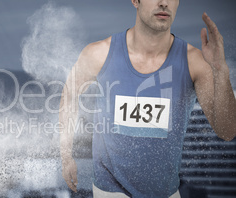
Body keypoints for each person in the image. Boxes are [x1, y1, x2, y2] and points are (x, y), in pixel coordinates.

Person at [59, 0, 236, 197]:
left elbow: (227, 131)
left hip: (166, 192)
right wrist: (66, 156)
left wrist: (221, 71)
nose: (163, 3)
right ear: (136, 1)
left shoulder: (194, 62)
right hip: (109, 190)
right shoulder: (98, 53)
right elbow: (69, 96)